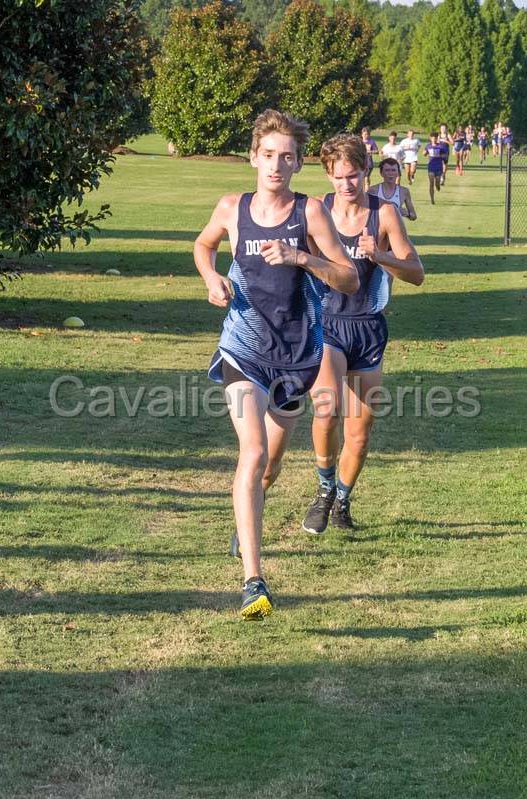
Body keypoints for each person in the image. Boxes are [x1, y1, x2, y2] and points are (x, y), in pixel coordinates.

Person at [193, 109, 358, 620]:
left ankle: (246, 521)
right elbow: (203, 245)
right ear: (253, 157)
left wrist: (301, 258)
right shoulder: (230, 207)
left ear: (299, 163)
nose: (275, 166)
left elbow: (349, 278)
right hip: (243, 346)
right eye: (268, 156)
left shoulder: (309, 214)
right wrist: (210, 276)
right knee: (254, 451)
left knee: (271, 464)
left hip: (297, 355)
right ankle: (253, 580)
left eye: (287, 158)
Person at [303, 134, 424, 535]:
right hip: (327, 324)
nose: (346, 185)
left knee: (359, 432)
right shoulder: (316, 210)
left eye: (352, 176)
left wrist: (380, 256)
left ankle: (342, 498)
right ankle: (322, 492)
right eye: (337, 177)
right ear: (328, 175)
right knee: (326, 406)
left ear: (366, 172)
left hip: (368, 328)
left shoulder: (385, 214)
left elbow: (417, 275)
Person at [368, 157, 417, 222]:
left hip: (396, 230)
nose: (390, 173)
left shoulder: (404, 191)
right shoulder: (373, 190)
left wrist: (407, 213)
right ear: (381, 173)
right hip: (377, 230)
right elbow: (364, 213)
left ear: (398, 173)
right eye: (387, 170)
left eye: (393, 170)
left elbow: (413, 216)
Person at [424, 133, 448, 204]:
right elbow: (424, 153)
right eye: (432, 138)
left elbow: (445, 155)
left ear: (437, 138)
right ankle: (432, 199)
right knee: (431, 183)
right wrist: (425, 152)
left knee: (437, 183)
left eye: (435, 138)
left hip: (438, 166)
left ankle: (438, 186)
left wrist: (439, 155)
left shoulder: (441, 146)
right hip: (431, 166)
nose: (433, 139)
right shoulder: (428, 146)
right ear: (430, 138)